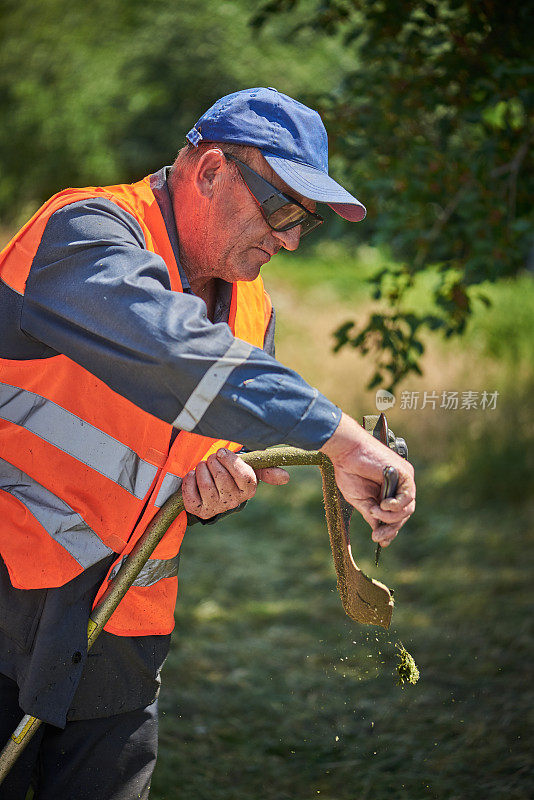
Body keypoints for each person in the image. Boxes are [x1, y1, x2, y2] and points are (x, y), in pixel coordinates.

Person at [0, 87, 415, 799]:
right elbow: (172, 356)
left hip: (125, 627)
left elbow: (194, 444)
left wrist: (218, 494)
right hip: (10, 600)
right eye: (282, 208)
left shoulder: (251, 310)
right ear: (213, 169)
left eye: (304, 223)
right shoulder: (86, 232)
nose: (288, 238)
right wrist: (345, 441)